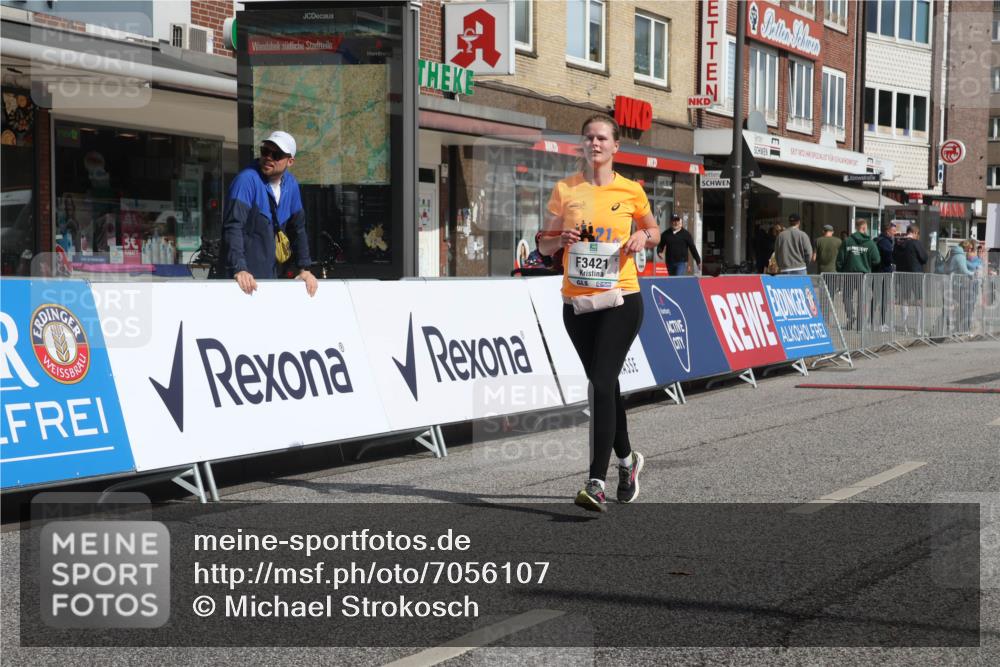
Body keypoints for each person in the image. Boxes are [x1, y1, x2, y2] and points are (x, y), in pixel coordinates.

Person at [537, 113, 660, 512]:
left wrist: (642, 236)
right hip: (577, 304)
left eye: (602, 138)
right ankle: (628, 461)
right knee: (604, 386)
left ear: (615, 146)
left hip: (621, 299)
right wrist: (560, 238)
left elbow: (654, 231)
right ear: (582, 143)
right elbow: (542, 246)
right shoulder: (565, 189)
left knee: (601, 381)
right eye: (589, 137)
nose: (595, 143)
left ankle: (596, 482)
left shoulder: (631, 190)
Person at [222, 130, 318, 296]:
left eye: (276, 155)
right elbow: (233, 226)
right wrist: (239, 269)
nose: (268, 157)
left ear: (290, 161)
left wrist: (304, 269)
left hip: (270, 278)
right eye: (265, 151)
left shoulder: (291, 185)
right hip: (241, 281)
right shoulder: (246, 180)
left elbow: (298, 229)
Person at [836, 219, 880, 329]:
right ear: (864, 228)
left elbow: (840, 259)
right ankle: (860, 324)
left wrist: (841, 270)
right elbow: (877, 260)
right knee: (862, 299)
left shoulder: (847, 241)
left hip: (849, 274)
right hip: (863, 275)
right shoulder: (870, 243)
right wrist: (867, 263)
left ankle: (851, 316)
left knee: (847, 297)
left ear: (856, 227)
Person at [893, 225, 928, 333]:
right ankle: (918, 328)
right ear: (915, 232)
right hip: (916, 274)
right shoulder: (916, 243)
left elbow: (893, 258)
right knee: (919, 300)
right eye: (918, 234)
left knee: (905, 300)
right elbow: (924, 258)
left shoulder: (898, 243)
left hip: (902, 274)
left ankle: (905, 327)